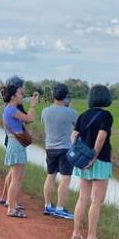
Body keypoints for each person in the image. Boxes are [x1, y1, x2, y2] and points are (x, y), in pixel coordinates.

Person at [70, 85, 114, 239]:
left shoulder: (83, 115)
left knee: (82, 198)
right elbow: (102, 137)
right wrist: (93, 157)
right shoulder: (106, 116)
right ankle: (91, 238)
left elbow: (73, 135)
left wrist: (80, 154)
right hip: (100, 161)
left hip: (83, 163)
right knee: (96, 202)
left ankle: (76, 233)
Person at [2, 82, 39, 218]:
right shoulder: (12, 110)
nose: (22, 95)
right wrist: (33, 105)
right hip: (16, 145)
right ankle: (11, 208)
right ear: (13, 96)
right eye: (19, 93)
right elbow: (30, 118)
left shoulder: (9, 108)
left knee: (16, 178)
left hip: (14, 143)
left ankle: (12, 204)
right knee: (16, 180)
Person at [41, 84, 78, 219]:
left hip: (50, 147)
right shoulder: (71, 112)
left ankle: (47, 205)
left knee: (50, 175)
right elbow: (77, 126)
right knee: (65, 178)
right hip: (65, 149)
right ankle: (60, 208)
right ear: (66, 96)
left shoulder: (45, 111)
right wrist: (71, 109)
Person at [0, 76, 25, 208]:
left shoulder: (7, 101)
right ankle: (10, 199)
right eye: (21, 87)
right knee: (15, 173)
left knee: (12, 171)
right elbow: (27, 119)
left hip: (9, 137)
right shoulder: (15, 105)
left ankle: (5, 196)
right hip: (15, 139)